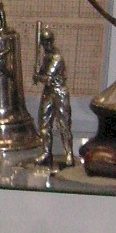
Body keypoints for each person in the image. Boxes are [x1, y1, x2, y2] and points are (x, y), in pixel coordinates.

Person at [33, 25, 74, 168]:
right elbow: (43, 75)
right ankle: (46, 153)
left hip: (59, 92)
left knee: (63, 124)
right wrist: (37, 73)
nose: (46, 45)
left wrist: (38, 77)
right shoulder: (46, 56)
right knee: (44, 123)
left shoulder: (57, 57)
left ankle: (69, 153)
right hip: (48, 92)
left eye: (47, 42)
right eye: (44, 42)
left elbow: (48, 78)